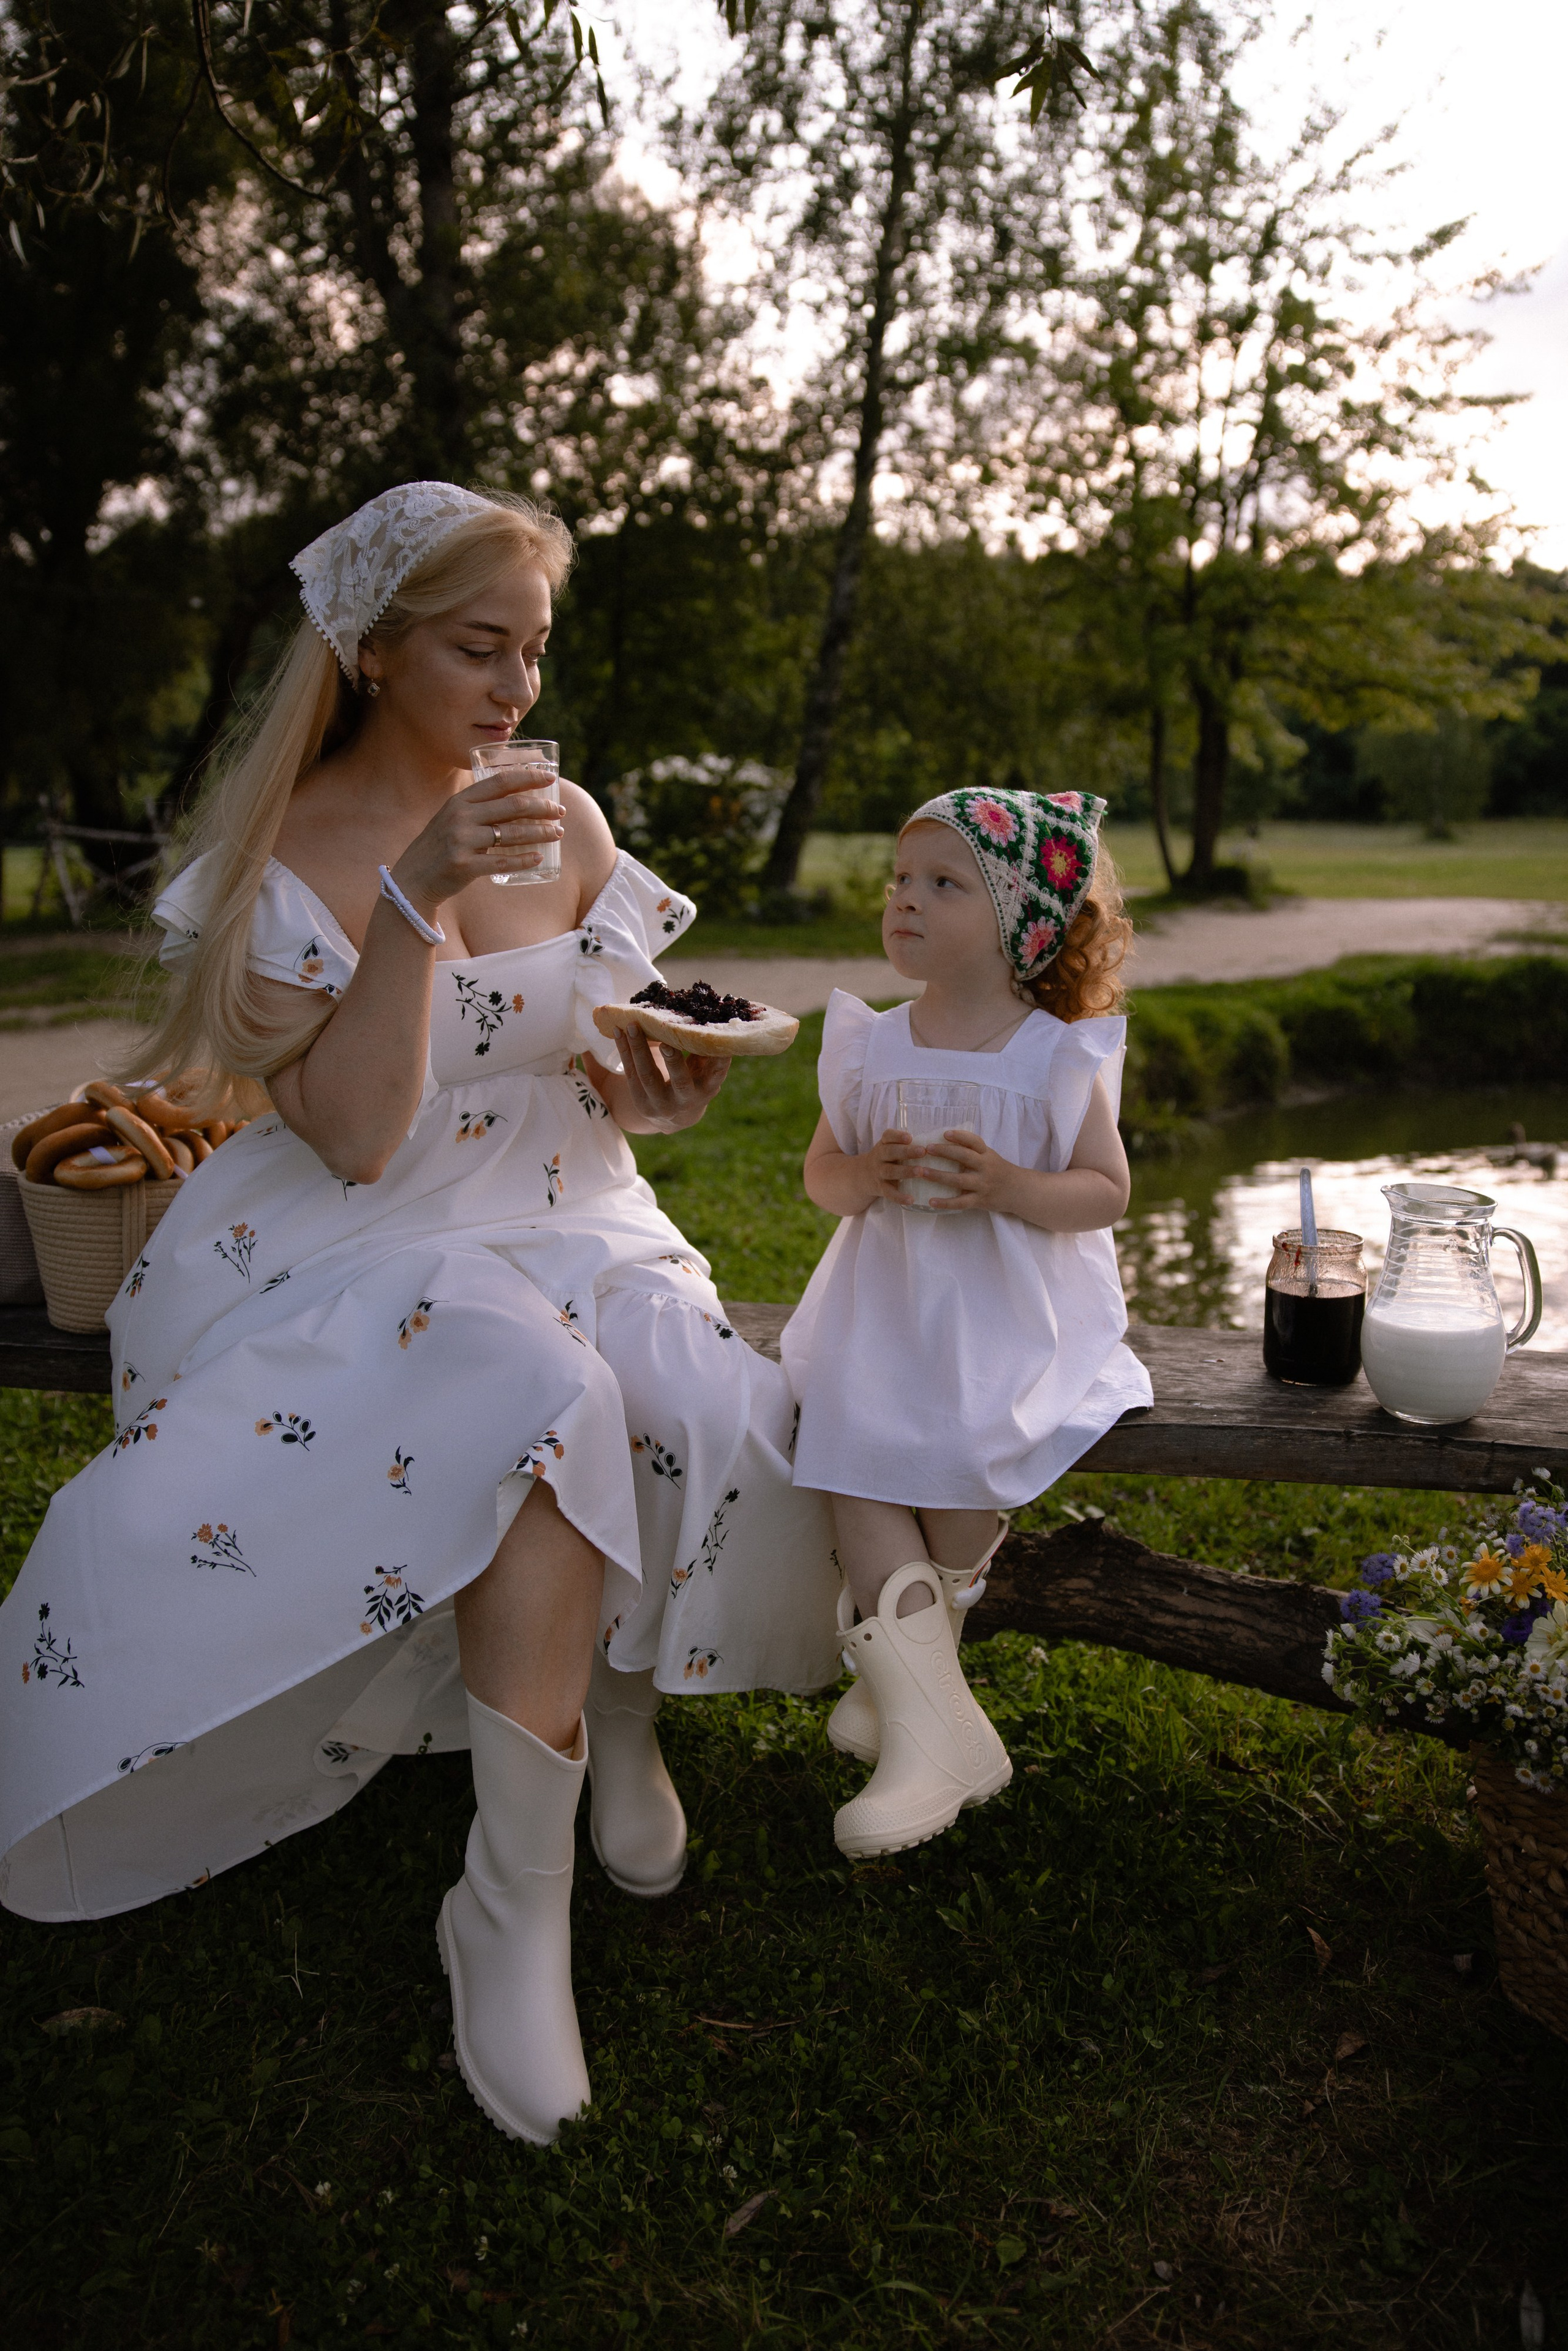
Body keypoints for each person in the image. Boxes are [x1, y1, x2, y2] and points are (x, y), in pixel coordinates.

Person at [0, 481, 840, 2146]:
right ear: (377, 649)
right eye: (480, 646)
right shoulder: (283, 855)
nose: (518, 687)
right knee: (530, 1385)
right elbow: (363, 1129)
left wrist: (660, 1085)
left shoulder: (573, 823)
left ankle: (617, 1712)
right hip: (365, 1237)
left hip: (572, 1206)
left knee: (681, 1383)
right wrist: (413, 891)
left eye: (533, 649)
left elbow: (616, 1088)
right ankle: (510, 1906)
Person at [780, 788, 1152, 1859]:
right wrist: (863, 1172)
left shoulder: (1052, 1055)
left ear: (1021, 924)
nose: (905, 901)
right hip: (886, 1307)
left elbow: (1105, 1191)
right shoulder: (870, 1046)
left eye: (943, 884)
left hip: (1011, 1316)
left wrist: (1010, 1186)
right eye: (902, 880)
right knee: (852, 1442)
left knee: (966, 1464)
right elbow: (821, 1178)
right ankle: (938, 1734)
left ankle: (904, 1696)